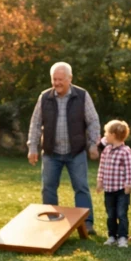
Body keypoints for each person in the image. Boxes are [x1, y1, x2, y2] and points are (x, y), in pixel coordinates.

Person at [27, 62, 101, 235]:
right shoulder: (44, 97)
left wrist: (93, 144)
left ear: (70, 79)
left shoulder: (82, 95)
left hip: (76, 151)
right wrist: (32, 147)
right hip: (51, 152)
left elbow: (93, 121)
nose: (57, 83)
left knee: (81, 187)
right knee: (48, 187)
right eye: (54, 79)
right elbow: (35, 123)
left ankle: (86, 223)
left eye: (61, 79)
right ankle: (51, 221)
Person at [95, 120, 131, 247]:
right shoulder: (106, 150)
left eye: (106, 133)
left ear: (113, 135)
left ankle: (123, 237)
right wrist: (100, 181)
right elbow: (101, 167)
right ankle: (112, 235)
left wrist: (129, 184)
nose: (105, 136)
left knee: (121, 214)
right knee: (110, 214)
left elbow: (130, 169)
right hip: (109, 189)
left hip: (121, 190)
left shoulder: (125, 151)